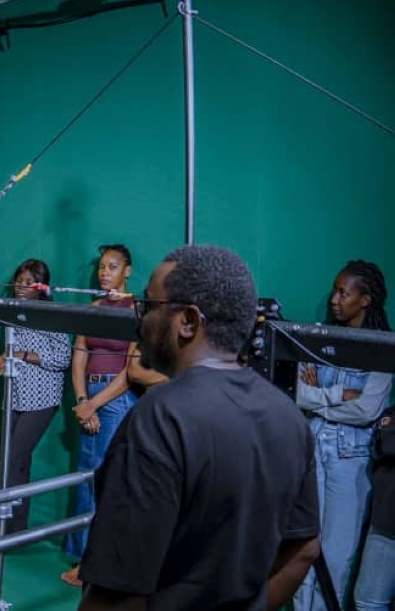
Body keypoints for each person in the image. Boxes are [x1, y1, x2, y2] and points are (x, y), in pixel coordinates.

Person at [77, 245, 321, 610]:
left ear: (188, 321)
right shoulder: (288, 416)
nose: (141, 320)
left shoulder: (159, 419)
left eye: (150, 305)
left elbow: (116, 593)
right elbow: (304, 550)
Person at [293, 261, 392, 611]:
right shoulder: (321, 338)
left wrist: (318, 396)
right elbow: (298, 394)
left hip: (350, 460)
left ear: (365, 300)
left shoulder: (382, 347)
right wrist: (337, 396)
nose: (335, 300)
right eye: (335, 291)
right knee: (301, 548)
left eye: (343, 293)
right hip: (312, 447)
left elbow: (367, 410)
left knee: (335, 555)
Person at [63, 244, 140, 584]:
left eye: (113, 266)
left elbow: (131, 371)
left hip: (117, 397)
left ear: (127, 271)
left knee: (107, 477)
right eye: (102, 267)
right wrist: (83, 399)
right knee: (85, 476)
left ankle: (98, 562)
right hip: (89, 393)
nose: (105, 272)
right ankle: (82, 555)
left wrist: (95, 404)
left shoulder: (136, 309)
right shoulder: (93, 308)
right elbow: (79, 355)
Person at [0, 259, 71, 535]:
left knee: (12, 458)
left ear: (41, 287)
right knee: (19, 462)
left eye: (28, 283)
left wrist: (20, 355)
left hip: (42, 396)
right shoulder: (10, 310)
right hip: (14, 394)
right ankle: (17, 528)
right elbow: (10, 348)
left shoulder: (53, 313)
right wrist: (4, 358)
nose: (21, 287)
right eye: (19, 281)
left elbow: (62, 358)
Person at [352, 404, 395, 610]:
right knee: (368, 601)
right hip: (386, 514)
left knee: (369, 602)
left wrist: (387, 429)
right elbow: (384, 437)